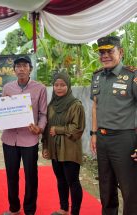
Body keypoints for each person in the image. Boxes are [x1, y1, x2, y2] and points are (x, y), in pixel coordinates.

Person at [90, 36, 137, 215]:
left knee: (130, 190)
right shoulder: (97, 76)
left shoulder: (132, 75)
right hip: (102, 139)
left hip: (124, 139)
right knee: (106, 187)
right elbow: (95, 106)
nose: (105, 55)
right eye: (102, 52)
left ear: (121, 52)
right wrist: (93, 134)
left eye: (110, 51)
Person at [1, 56, 47, 215]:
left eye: (24, 66)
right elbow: (2, 111)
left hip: (29, 139)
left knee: (31, 176)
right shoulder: (7, 88)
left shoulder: (39, 88)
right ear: (14, 70)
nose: (21, 69)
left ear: (30, 69)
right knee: (11, 175)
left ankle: (29, 210)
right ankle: (14, 208)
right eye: (18, 66)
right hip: (9, 140)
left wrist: (40, 128)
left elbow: (43, 114)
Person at [42, 72, 85, 215]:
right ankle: (64, 208)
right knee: (60, 180)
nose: (59, 88)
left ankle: (75, 212)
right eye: (56, 85)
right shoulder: (51, 105)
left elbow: (77, 129)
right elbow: (47, 128)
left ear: (68, 86)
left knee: (72, 181)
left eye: (63, 85)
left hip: (70, 148)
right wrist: (46, 146)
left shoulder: (75, 105)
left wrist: (58, 129)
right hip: (54, 149)